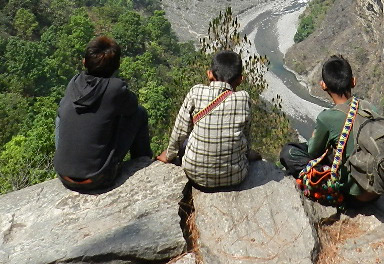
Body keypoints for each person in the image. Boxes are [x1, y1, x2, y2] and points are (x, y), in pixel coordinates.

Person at [54, 36, 152, 192]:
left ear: (84, 62)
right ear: (117, 65)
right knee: (139, 113)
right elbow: (132, 107)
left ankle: (69, 159)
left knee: (61, 115)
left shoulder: (74, 83)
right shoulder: (115, 88)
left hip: (63, 176)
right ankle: (142, 161)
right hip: (98, 178)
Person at [280, 55, 379, 202]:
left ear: (323, 85)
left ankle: (325, 179)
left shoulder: (327, 118)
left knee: (289, 151)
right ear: (353, 81)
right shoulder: (370, 108)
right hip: (375, 191)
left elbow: (313, 152)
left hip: (352, 196)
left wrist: (316, 137)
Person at [157, 50, 256, 189]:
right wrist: (247, 154)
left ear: (209, 74)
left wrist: (169, 155)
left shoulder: (196, 92)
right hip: (234, 176)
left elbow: (180, 131)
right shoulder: (244, 98)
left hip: (194, 173)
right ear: (240, 79)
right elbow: (246, 135)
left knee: (187, 140)